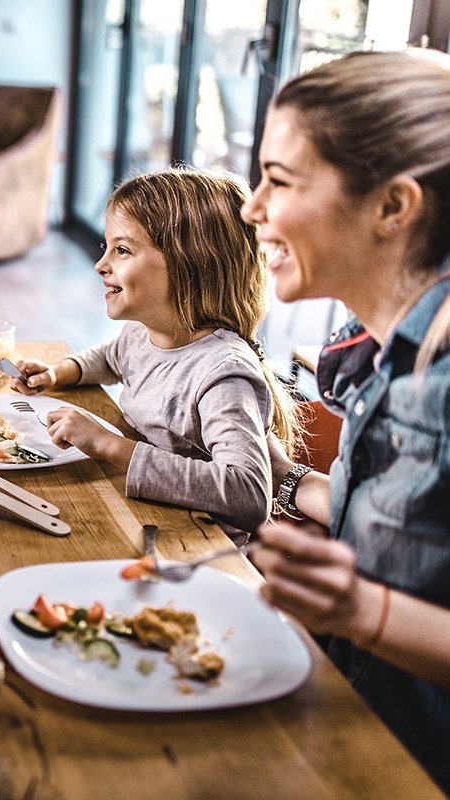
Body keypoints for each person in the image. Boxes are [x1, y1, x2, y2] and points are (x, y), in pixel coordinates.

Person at [239, 50, 450, 791]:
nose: (251, 206)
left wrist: (363, 609)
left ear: (393, 207)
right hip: (352, 725)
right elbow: (410, 527)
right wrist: (288, 482)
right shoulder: (379, 352)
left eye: (280, 180)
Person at [9, 168, 301, 533]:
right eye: (107, 248)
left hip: (193, 544)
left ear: (190, 264)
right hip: (141, 515)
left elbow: (247, 495)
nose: (101, 265)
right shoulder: (141, 335)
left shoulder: (223, 373)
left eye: (123, 250)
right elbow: (108, 358)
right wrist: (57, 373)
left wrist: (109, 446)